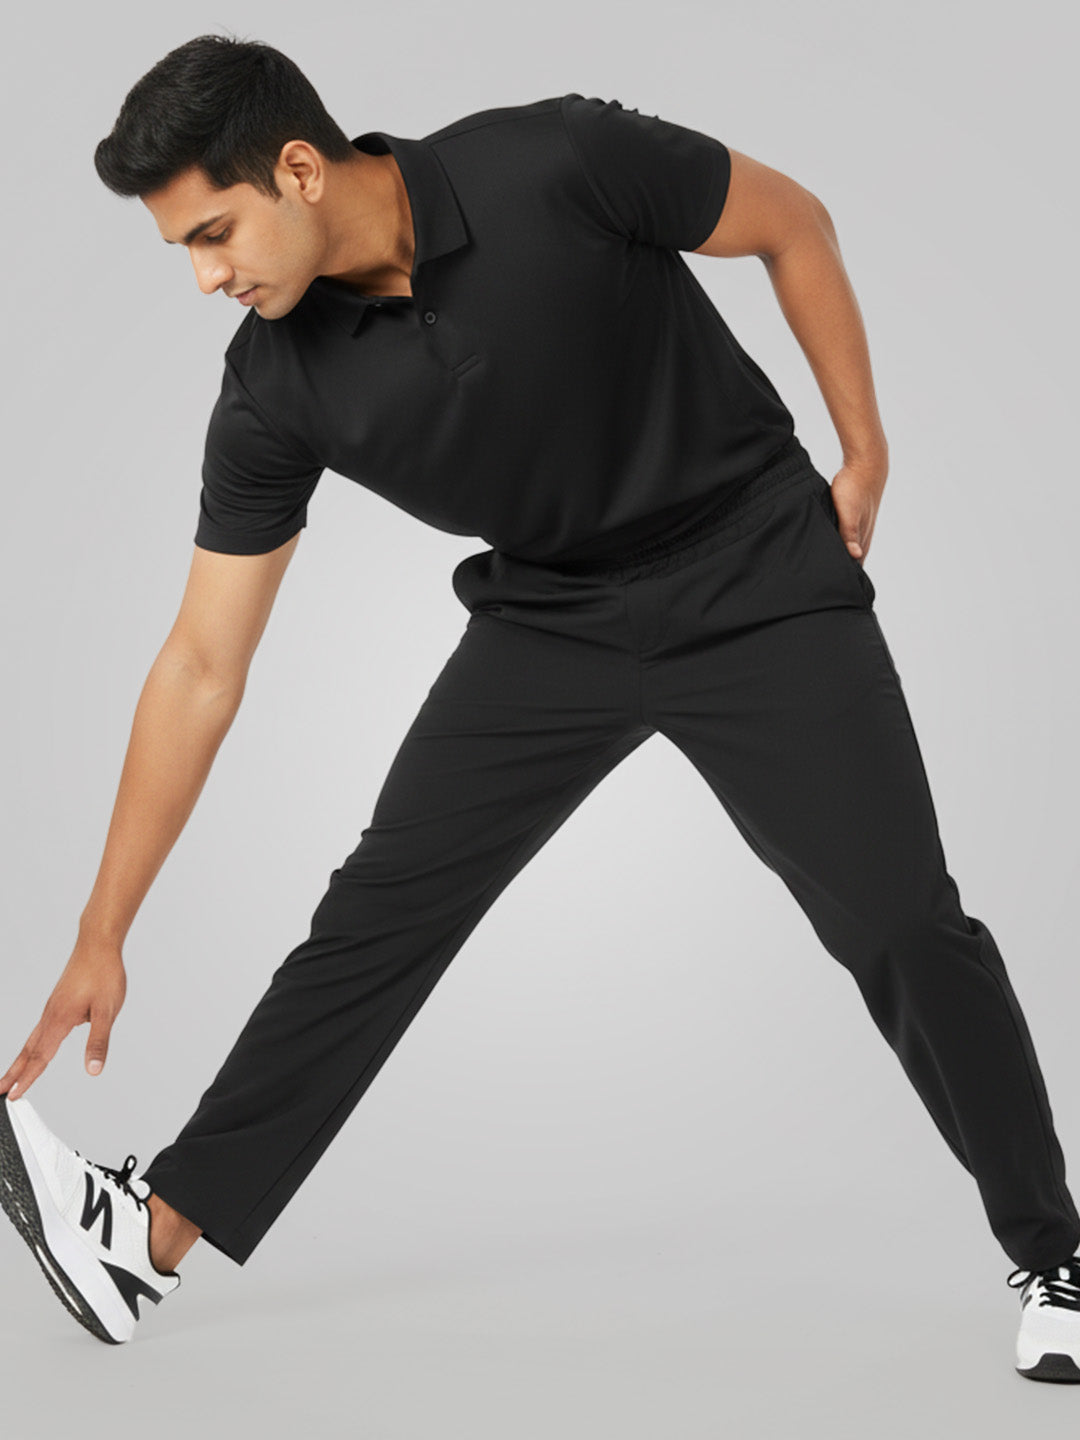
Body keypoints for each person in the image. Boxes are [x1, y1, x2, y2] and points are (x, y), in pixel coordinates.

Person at [1, 32, 1078, 1376]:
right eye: (184, 252)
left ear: (300, 170)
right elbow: (201, 665)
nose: (208, 277)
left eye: (214, 234)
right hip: (552, 620)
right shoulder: (273, 386)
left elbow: (792, 223)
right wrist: (103, 930)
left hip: (755, 567)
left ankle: (1058, 1254)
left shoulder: (555, 160)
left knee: (902, 922)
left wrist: (863, 448)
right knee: (376, 918)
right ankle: (140, 1245)